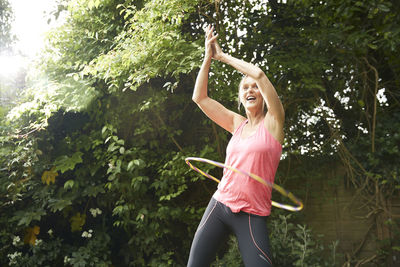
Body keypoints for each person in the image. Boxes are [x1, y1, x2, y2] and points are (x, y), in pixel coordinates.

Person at [187, 25, 285, 267]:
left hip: (252, 214)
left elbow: (260, 75)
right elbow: (199, 98)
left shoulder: (274, 122)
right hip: (220, 205)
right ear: (240, 98)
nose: (250, 89)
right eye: (245, 88)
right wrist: (207, 57)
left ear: (262, 96)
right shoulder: (236, 123)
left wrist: (222, 56)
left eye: (254, 88)